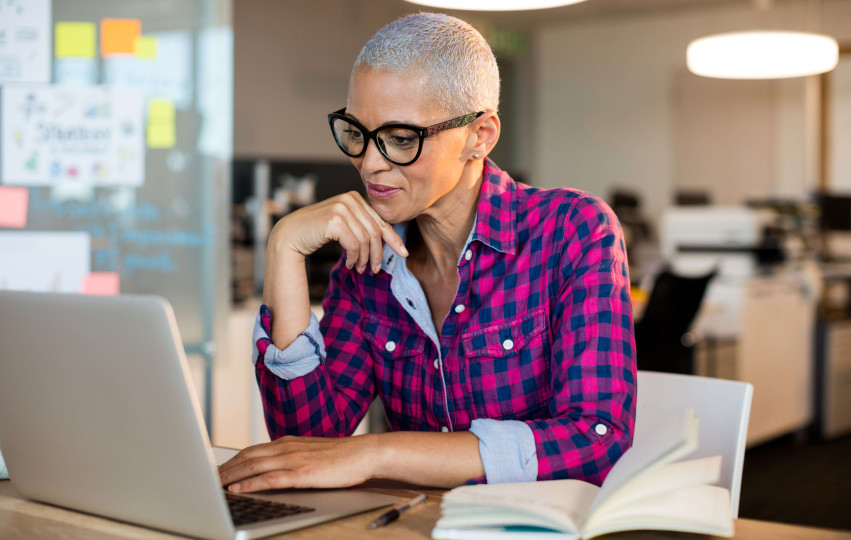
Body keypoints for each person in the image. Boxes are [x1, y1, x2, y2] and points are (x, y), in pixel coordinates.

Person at [219, 12, 636, 493]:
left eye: (400, 139)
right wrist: (284, 247)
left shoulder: (571, 229)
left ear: (479, 136)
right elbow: (309, 445)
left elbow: (596, 441)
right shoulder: (365, 263)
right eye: (356, 132)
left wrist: (377, 451)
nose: (370, 163)